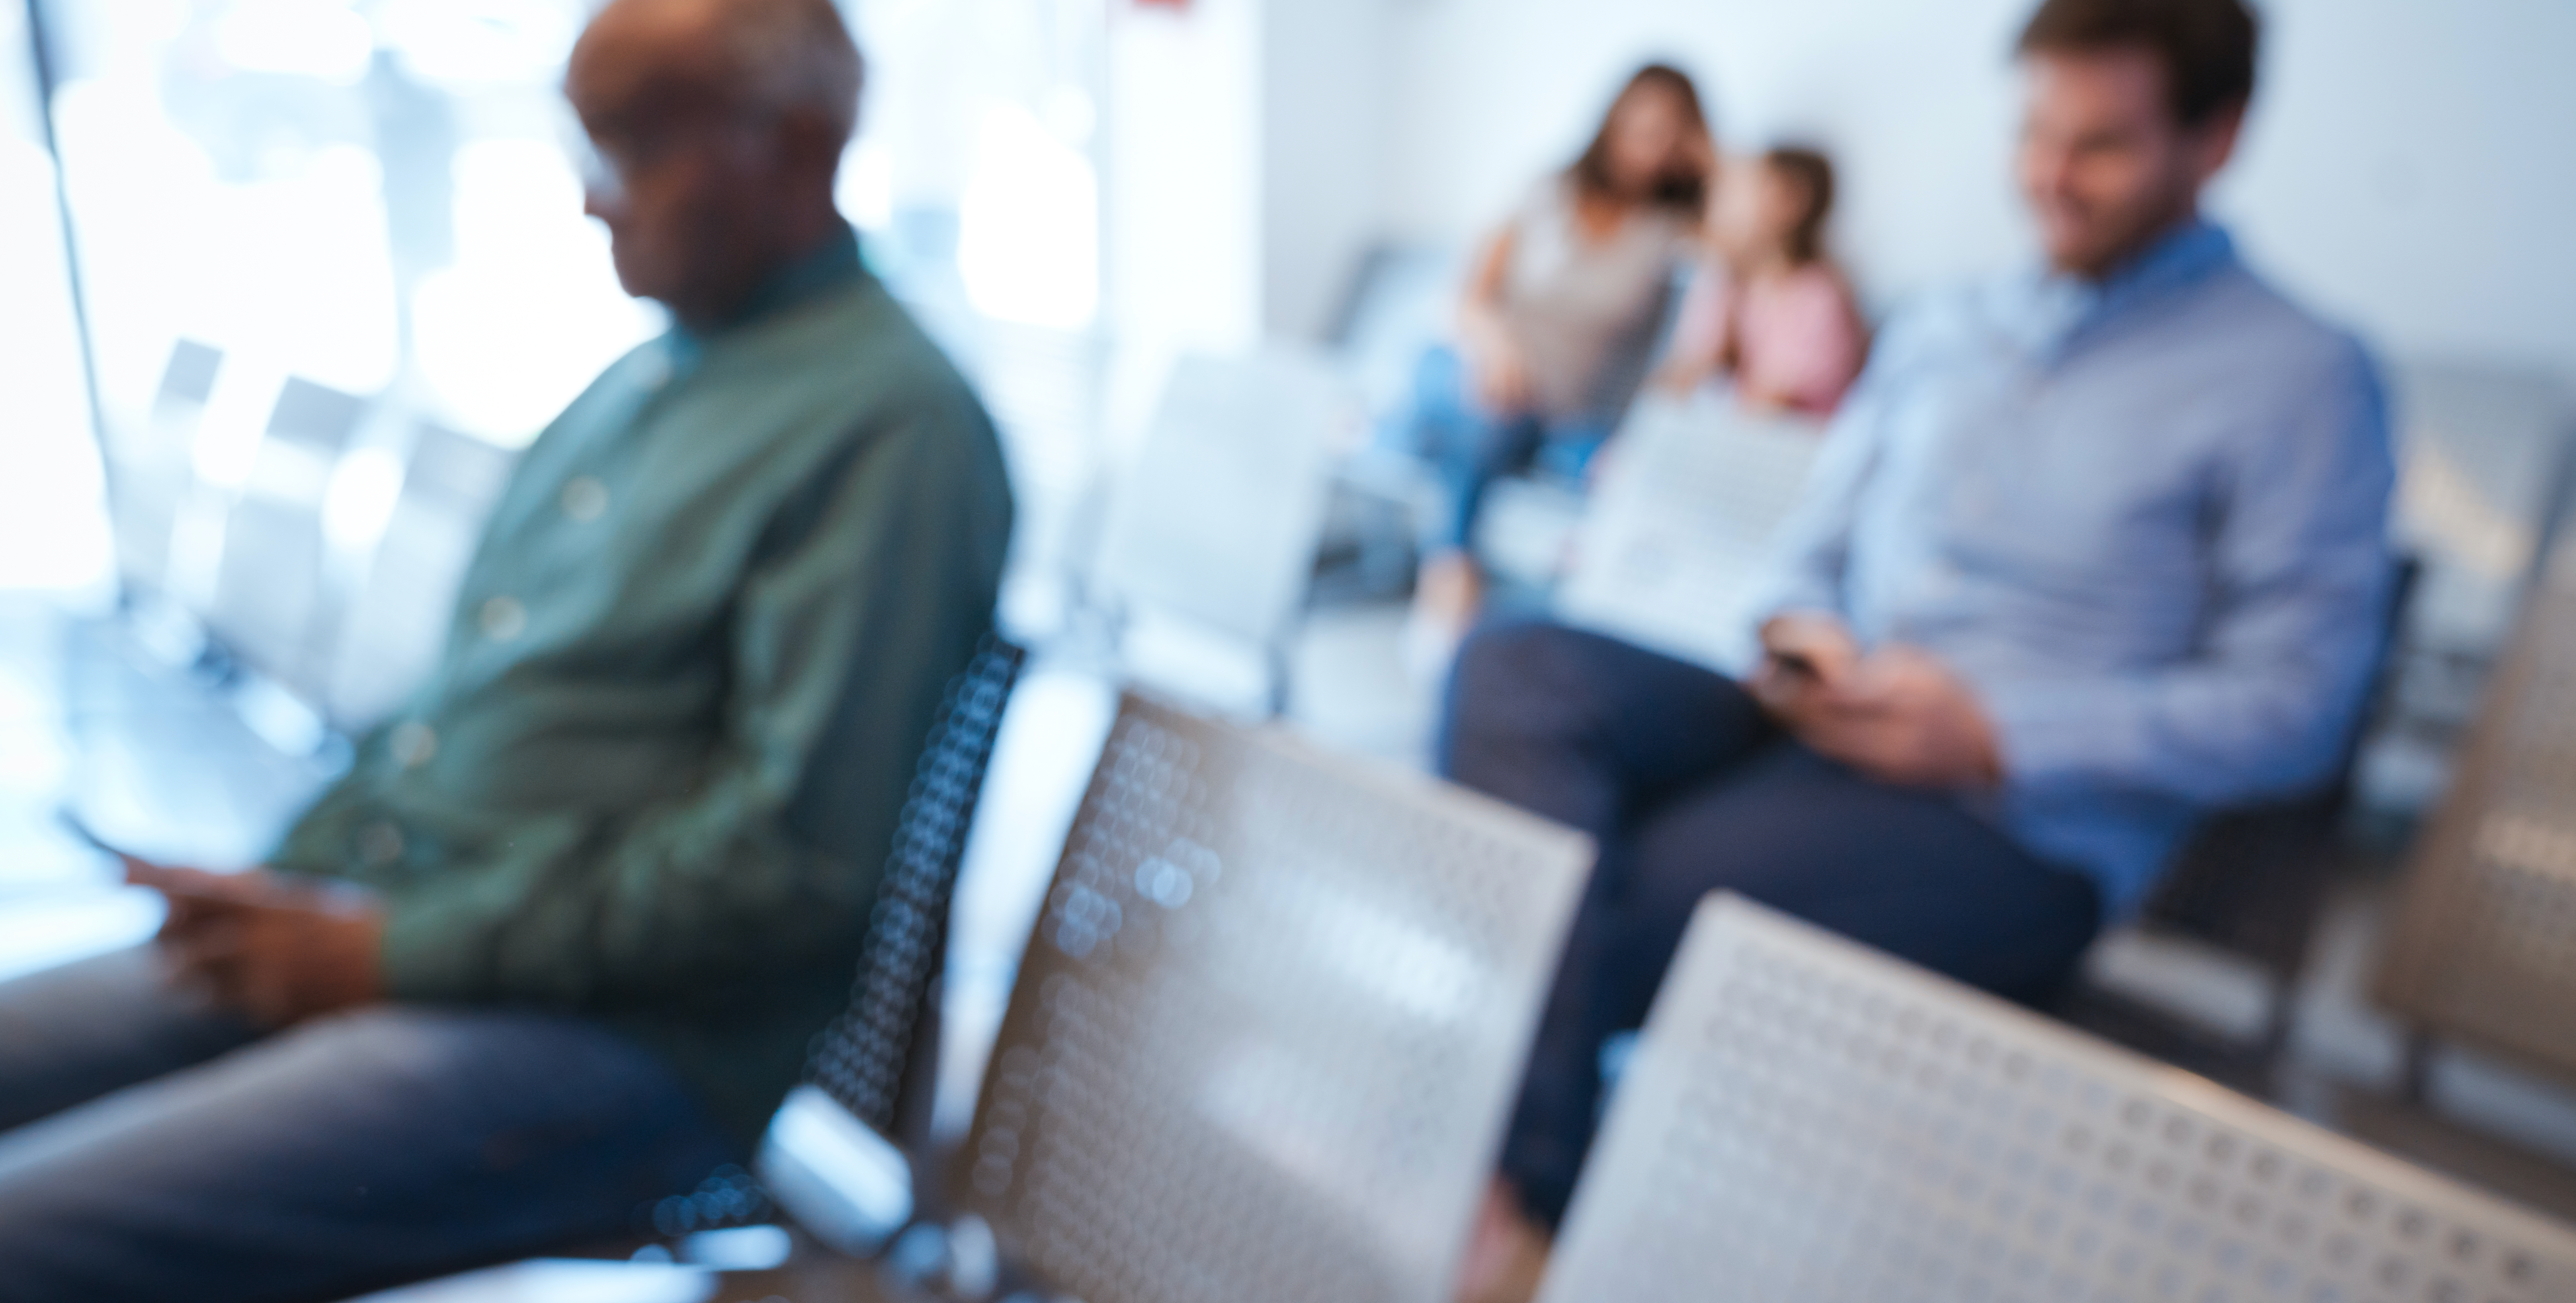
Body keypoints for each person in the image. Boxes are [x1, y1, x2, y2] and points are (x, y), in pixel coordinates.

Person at [0, 1, 1014, 1298]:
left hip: (608, 1037)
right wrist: (301, 884)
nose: (596, 203)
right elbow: (454, 713)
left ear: (801, 145)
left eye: (635, 150)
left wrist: (385, 954)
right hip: (418, 923)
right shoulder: (641, 387)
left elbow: (779, 869)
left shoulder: (893, 425)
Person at [1443, 0, 2394, 1298]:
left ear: (2214, 138)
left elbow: (2301, 706)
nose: (2048, 179)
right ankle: (1541, 1201)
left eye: (2100, 146)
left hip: (2011, 815)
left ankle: (1523, 1216)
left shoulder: (2302, 376)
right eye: (2034, 135)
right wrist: (1798, 630)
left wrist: (2000, 731)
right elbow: (1805, 547)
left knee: (1588, 903)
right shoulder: (1946, 326)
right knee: (1511, 664)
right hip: (1822, 718)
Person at [1405, 64, 1714, 659]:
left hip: (1561, 406)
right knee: (1492, 408)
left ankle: (1548, 636)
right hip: (1474, 363)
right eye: (1638, 127)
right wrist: (1497, 351)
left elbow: (1745, 228)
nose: (1646, 146)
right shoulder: (1545, 188)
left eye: (1667, 134)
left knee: (1611, 472)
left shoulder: (1670, 228)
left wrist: (1710, 162)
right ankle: (1449, 580)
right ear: (1610, 123)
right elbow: (1466, 298)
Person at [1654, 146, 1868, 415]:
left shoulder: (1816, 299)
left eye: (1731, 196)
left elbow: (1765, 406)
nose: (1712, 207)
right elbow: (1683, 374)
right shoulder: (1729, 283)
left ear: (1788, 202)